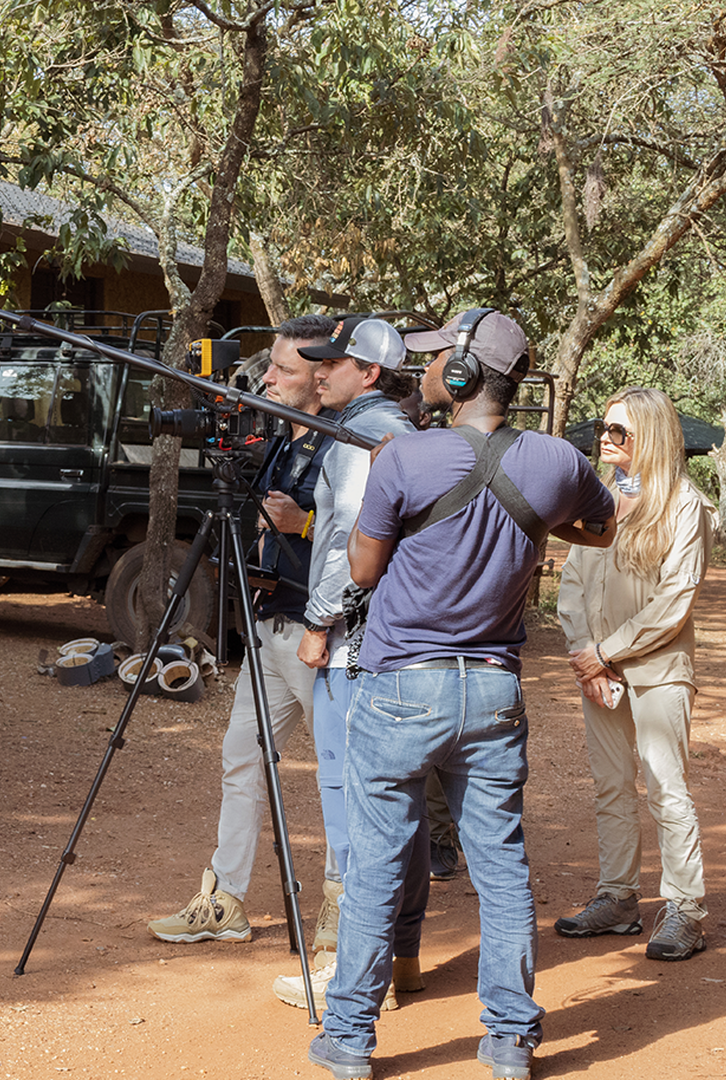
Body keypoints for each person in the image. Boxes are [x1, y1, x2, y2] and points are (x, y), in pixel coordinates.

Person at [308, 310, 617, 1080]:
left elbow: (365, 568)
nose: (430, 366)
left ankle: (349, 1040)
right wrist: (531, 521)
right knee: (501, 866)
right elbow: (603, 530)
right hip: (490, 690)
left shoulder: (406, 457)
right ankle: (510, 1039)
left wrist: (388, 477)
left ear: (462, 374)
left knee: (378, 862)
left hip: (400, 686)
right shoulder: (558, 462)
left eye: (440, 355)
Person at [145, 314, 345, 946]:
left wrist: (304, 527)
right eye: (273, 366)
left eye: (285, 369)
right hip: (268, 627)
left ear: (322, 377)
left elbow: (366, 539)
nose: (271, 378)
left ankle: (345, 909)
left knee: (341, 776)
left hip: (321, 636)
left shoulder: (342, 443)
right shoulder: (283, 438)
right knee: (241, 760)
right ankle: (225, 898)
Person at [264, 317, 423, 1013]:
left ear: (370, 374)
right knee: (394, 805)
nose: (320, 373)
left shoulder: (362, 438)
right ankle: (400, 957)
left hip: (355, 642)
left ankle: (358, 973)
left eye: (335, 365)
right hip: (389, 640)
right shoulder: (398, 431)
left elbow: (350, 543)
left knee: (353, 806)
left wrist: (318, 622)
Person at [556, 387, 715, 960]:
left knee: (667, 789)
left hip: (658, 672)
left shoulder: (683, 505)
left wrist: (607, 652)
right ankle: (618, 898)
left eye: (619, 431)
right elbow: (572, 584)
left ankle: (685, 910)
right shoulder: (600, 502)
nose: (605, 438)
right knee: (610, 786)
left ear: (648, 436)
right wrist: (586, 655)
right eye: (604, 427)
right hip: (598, 671)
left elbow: (676, 600)